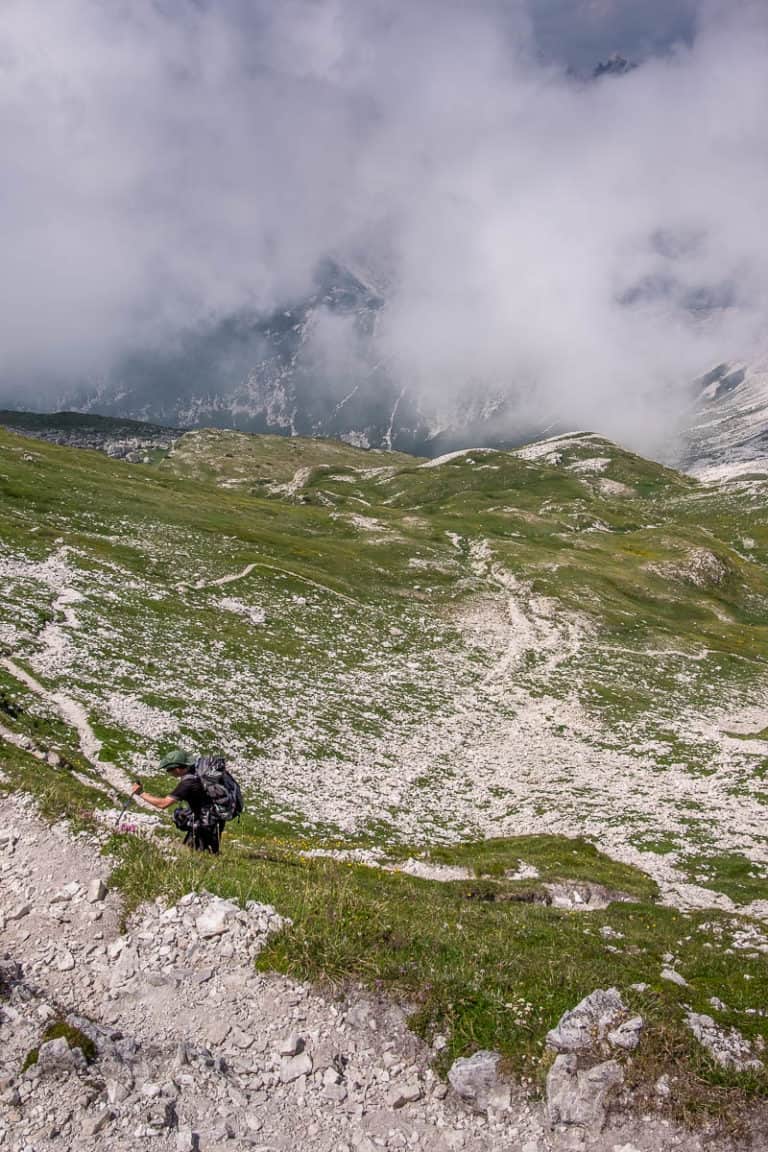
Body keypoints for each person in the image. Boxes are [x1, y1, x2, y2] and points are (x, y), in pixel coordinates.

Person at [132, 748, 226, 854]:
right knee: (200, 851)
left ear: (177, 769)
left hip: (206, 823)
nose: (168, 773)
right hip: (212, 818)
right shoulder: (195, 770)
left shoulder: (188, 783)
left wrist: (141, 793)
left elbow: (163, 804)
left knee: (201, 854)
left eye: (168, 770)